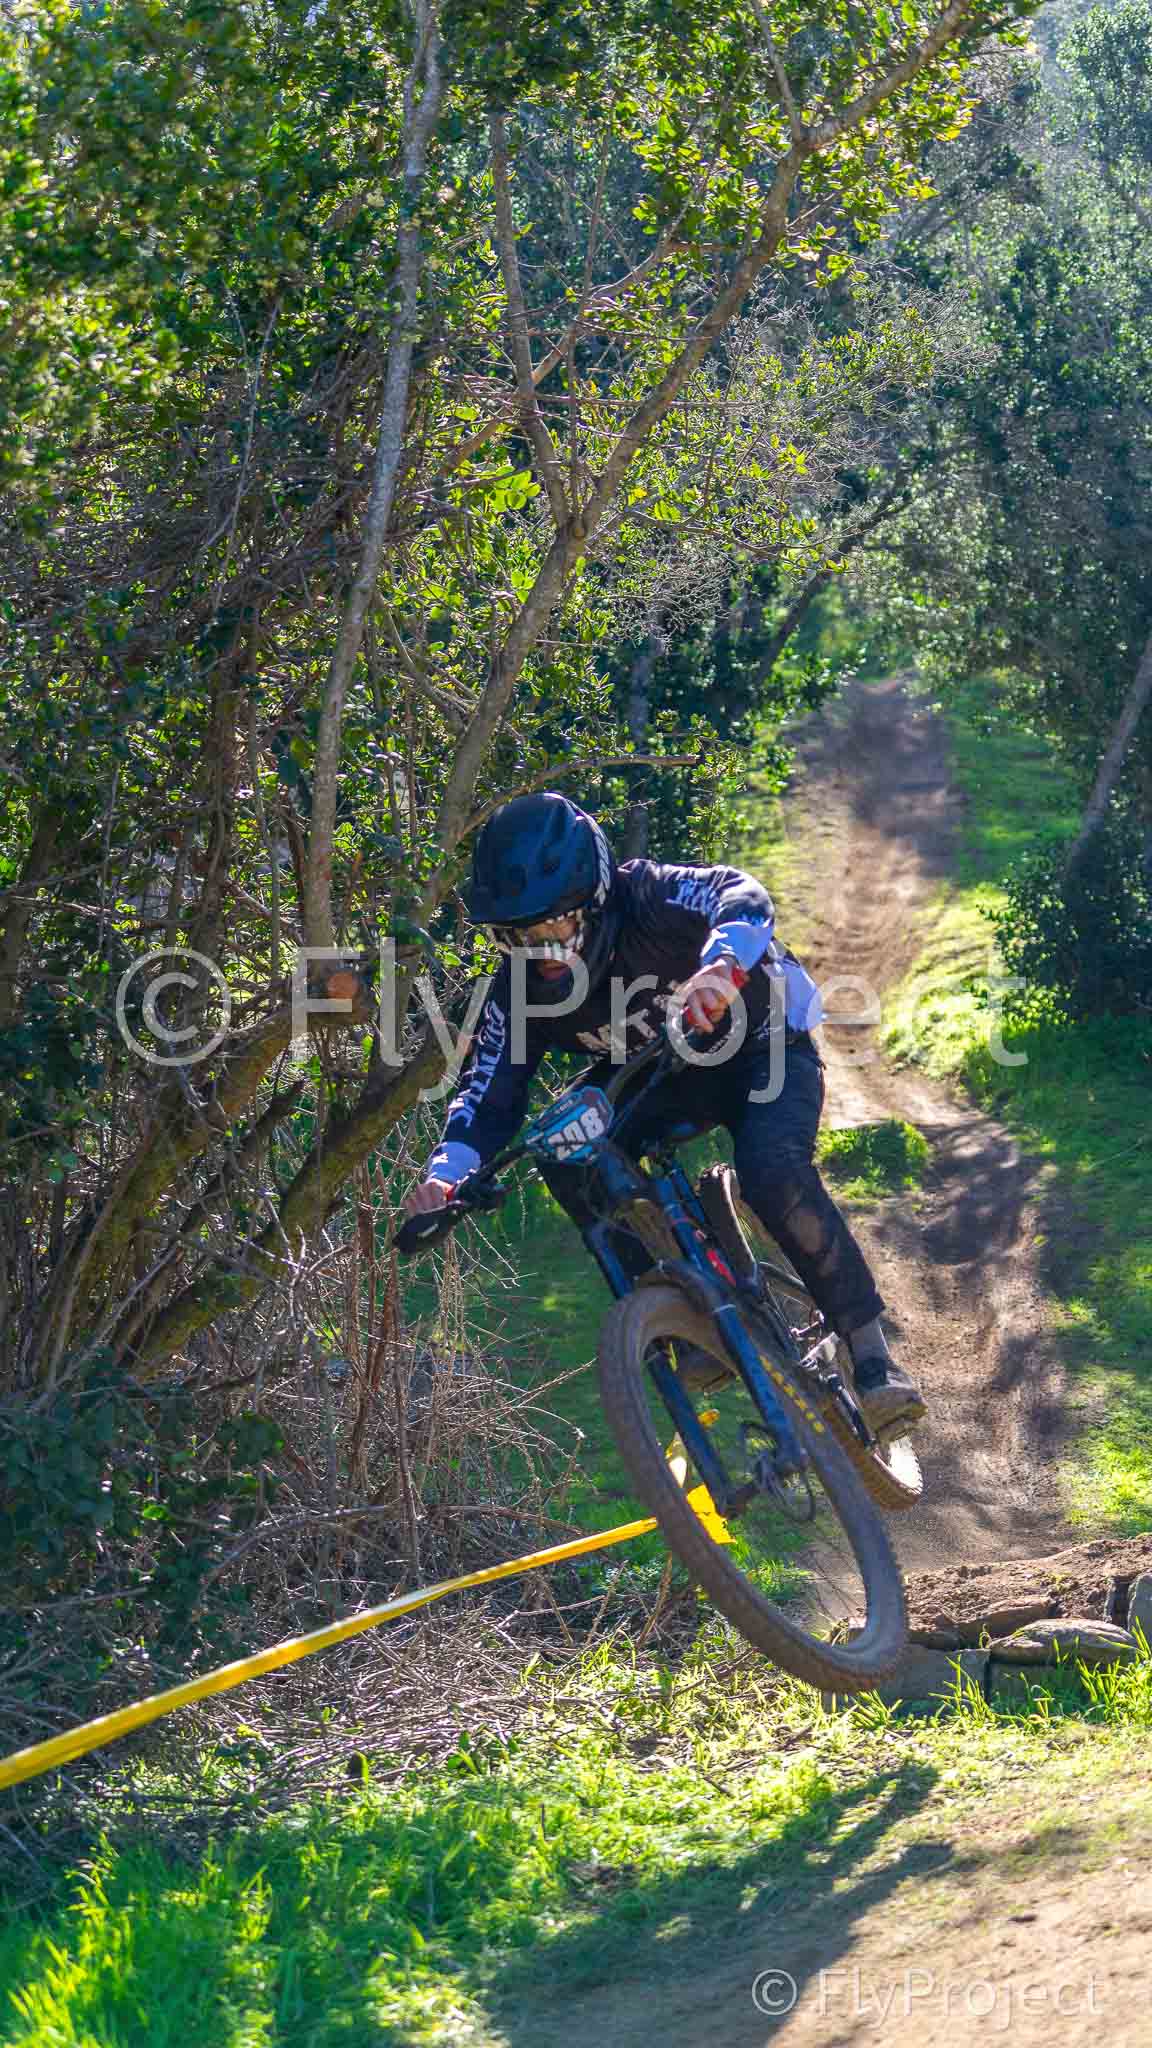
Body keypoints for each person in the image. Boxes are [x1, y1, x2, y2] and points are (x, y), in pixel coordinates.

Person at [403, 792, 926, 1436]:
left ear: (594, 900)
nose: (540, 953)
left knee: (772, 1173)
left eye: (554, 931)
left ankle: (871, 1355)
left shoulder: (650, 895)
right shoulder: (517, 995)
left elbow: (742, 894)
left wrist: (721, 966)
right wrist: (447, 1173)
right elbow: (487, 1095)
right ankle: (681, 1314)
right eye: (516, 938)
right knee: (567, 1156)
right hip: (662, 1070)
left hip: (762, 1043)